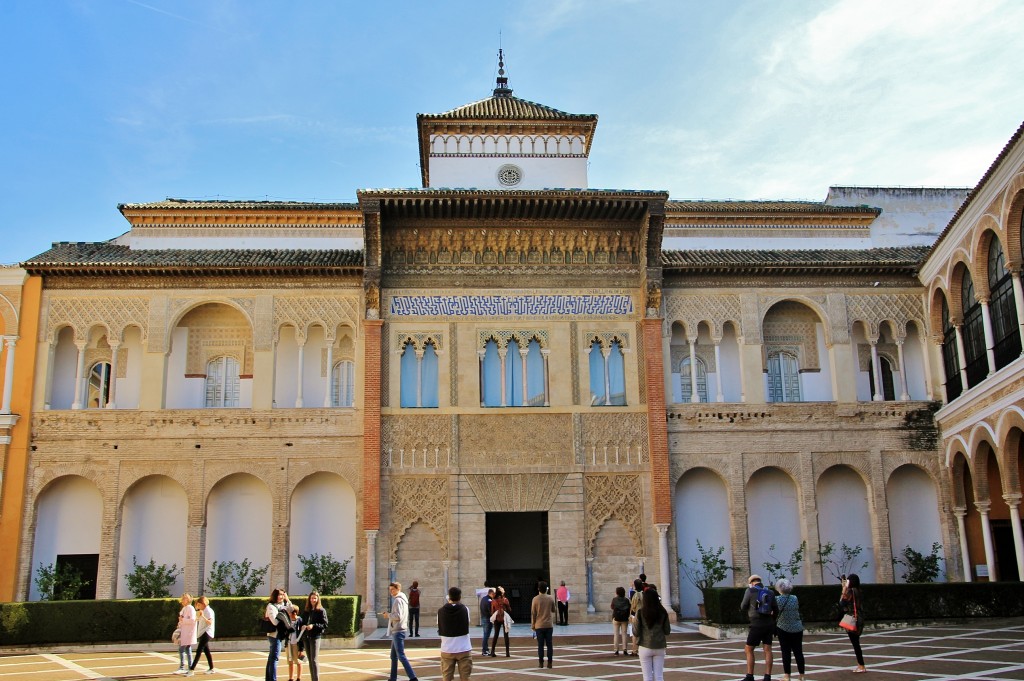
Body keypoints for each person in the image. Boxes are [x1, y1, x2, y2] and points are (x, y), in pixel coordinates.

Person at [739, 574, 777, 681]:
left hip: (756, 624)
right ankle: (767, 676)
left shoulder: (750, 591)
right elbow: (776, 609)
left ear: (751, 583)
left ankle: (750, 676)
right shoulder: (770, 592)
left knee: (749, 649)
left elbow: (743, 606)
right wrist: (773, 621)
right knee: (767, 649)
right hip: (769, 624)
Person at [383, 581, 419, 681]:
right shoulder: (402, 599)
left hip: (398, 630)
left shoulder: (398, 600)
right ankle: (393, 678)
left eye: (392, 589)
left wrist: (388, 615)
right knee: (393, 656)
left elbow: (398, 616)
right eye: (390, 589)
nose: (391, 591)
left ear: (398, 589)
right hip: (398, 629)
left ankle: (413, 678)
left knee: (401, 656)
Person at [633, 588, 671, 681]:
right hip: (659, 645)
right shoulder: (663, 612)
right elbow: (667, 631)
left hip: (645, 645)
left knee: (647, 677)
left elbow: (636, 632)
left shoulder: (640, 612)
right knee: (659, 676)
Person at [437, 586, 473, 681]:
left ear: (449, 597)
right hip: (463, 648)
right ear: (460, 597)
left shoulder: (440, 611)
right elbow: (468, 622)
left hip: (447, 648)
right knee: (465, 677)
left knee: (447, 677)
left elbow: (439, 624)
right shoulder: (465, 609)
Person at [774, 579, 805, 681]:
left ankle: (787, 675)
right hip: (797, 627)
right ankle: (802, 675)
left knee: (785, 652)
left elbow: (774, 612)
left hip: (782, 627)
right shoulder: (794, 598)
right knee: (798, 651)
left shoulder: (777, 599)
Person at [841, 574, 867, 673]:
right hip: (860, 617)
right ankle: (860, 665)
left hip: (852, 618)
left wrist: (844, 589)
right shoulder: (859, 591)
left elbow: (842, 603)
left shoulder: (850, 591)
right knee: (856, 642)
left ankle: (861, 665)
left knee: (855, 643)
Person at [302, 591, 329, 681]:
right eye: (311, 598)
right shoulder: (307, 611)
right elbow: (302, 621)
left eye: (315, 598)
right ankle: (312, 678)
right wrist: (303, 625)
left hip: (315, 637)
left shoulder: (321, 611)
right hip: (306, 637)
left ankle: (316, 679)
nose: (313, 600)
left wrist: (313, 626)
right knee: (310, 660)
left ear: (318, 599)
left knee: (314, 659)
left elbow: (324, 624)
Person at [531, 580, 556, 668]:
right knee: (549, 645)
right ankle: (550, 663)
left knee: (540, 645)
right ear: (546, 589)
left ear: (538, 589)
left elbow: (533, 613)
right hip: (548, 625)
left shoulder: (535, 599)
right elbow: (553, 610)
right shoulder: (550, 598)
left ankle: (541, 663)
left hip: (539, 625)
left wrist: (533, 625)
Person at [188, 596, 216, 675]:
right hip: (203, 632)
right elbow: (198, 619)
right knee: (206, 651)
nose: (198, 606)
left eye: (199, 605)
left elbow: (210, 622)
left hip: (207, 632)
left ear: (203, 604)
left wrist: (203, 616)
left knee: (199, 650)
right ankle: (211, 668)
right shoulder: (203, 610)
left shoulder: (209, 611)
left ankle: (191, 669)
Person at [265, 588, 288, 681]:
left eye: (282, 595)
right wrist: (282, 615)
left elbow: (292, 609)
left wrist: (287, 599)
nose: (281, 597)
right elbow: (274, 622)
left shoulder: (281, 605)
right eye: (279, 595)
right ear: (275, 596)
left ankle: (269, 678)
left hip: (279, 635)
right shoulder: (271, 606)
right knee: (274, 658)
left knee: (272, 658)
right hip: (274, 635)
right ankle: (272, 679)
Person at [175, 593, 198, 676]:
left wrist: (183, 620)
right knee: (187, 649)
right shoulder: (185, 608)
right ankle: (188, 668)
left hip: (188, 632)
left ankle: (185, 668)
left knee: (183, 649)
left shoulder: (190, 608)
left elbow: (192, 620)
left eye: (183, 598)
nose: (182, 600)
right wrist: (180, 623)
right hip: (185, 631)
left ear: (188, 600)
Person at [488, 586, 510, 657]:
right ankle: (507, 652)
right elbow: (509, 609)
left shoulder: (493, 601)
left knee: (496, 634)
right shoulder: (505, 600)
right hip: (504, 618)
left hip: (497, 618)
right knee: (506, 635)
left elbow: (492, 611)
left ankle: (492, 651)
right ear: (502, 592)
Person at [285, 606, 304, 681]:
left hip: (297, 644)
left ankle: (299, 678)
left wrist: (301, 649)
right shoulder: (287, 620)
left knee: (299, 661)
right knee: (290, 662)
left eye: (290, 612)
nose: (288, 614)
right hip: (288, 643)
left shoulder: (300, 620)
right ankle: (291, 678)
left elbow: (302, 635)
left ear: (295, 613)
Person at [611, 586, 631, 655]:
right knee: (624, 634)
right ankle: (625, 649)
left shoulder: (614, 599)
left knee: (616, 634)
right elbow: (629, 607)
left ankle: (616, 650)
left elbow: (612, 607)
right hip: (624, 618)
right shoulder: (626, 600)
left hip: (616, 617)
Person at [628, 578, 644, 656]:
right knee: (643, 632)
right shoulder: (644, 593)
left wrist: (631, 587)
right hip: (644, 614)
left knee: (635, 633)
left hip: (635, 615)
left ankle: (634, 650)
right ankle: (642, 649)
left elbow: (632, 605)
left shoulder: (633, 594)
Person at [479, 588, 495, 656]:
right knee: (486, 635)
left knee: (485, 634)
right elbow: (490, 610)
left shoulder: (483, 599)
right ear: (491, 593)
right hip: (487, 618)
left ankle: (485, 649)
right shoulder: (489, 600)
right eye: (493, 594)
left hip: (483, 617)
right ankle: (484, 650)